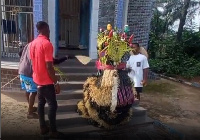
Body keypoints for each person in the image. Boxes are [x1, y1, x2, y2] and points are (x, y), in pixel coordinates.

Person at [29, 21, 64, 138]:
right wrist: (56, 82)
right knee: (52, 105)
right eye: (49, 30)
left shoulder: (32, 43)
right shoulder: (47, 44)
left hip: (37, 79)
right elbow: (49, 66)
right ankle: (53, 131)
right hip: (46, 81)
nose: (49, 32)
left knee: (40, 103)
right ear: (45, 29)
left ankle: (43, 127)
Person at [18, 43, 38, 119]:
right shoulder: (35, 47)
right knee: (33, 92)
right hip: (28, 73)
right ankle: (30, 112)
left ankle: (31, 107)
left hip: (22, 71)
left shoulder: (28, 45)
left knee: (28, 90)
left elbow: (20, 53)